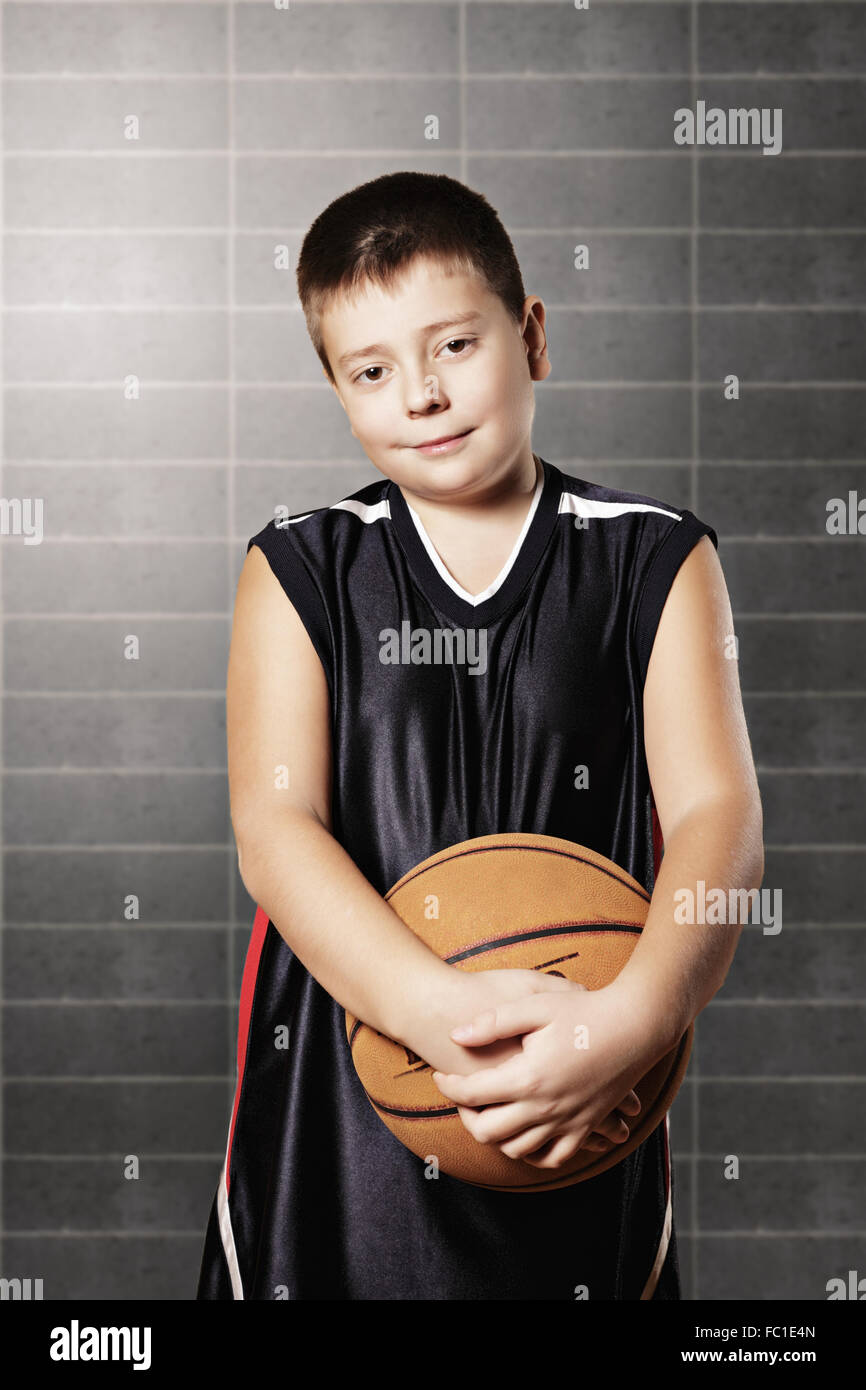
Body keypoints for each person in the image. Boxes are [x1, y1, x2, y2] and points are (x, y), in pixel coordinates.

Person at [196, 171, 763, 1301]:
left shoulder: (652, 557)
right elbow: (276, 826)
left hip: (580, 1074)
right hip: (344, 1109)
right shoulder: (301, 565)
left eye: (452, 345)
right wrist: (436, 1016)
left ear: (531, 333)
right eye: (371, 371)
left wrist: (631, 1023)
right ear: (338, 393)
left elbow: (718, 822)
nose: (420, 394)